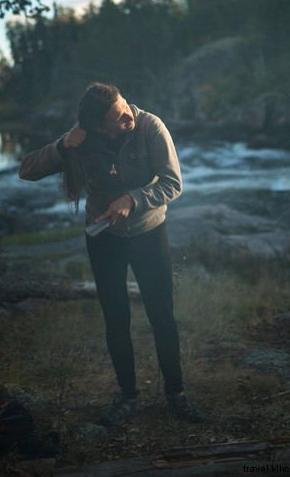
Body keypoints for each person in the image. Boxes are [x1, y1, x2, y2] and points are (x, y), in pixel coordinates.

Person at [18, 82, 205, 427]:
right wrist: (61, 146)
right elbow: (26, 170)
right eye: (119, 119)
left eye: (125, 109)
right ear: (97, 128)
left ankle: (176, 395)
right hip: (104, 239)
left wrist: (132, 199)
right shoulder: (82, 138)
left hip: (149, 233)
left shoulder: (150, 126)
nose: (128, 119)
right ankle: (128, 397)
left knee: (162, 316)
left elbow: (172, 183)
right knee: (116, 319)